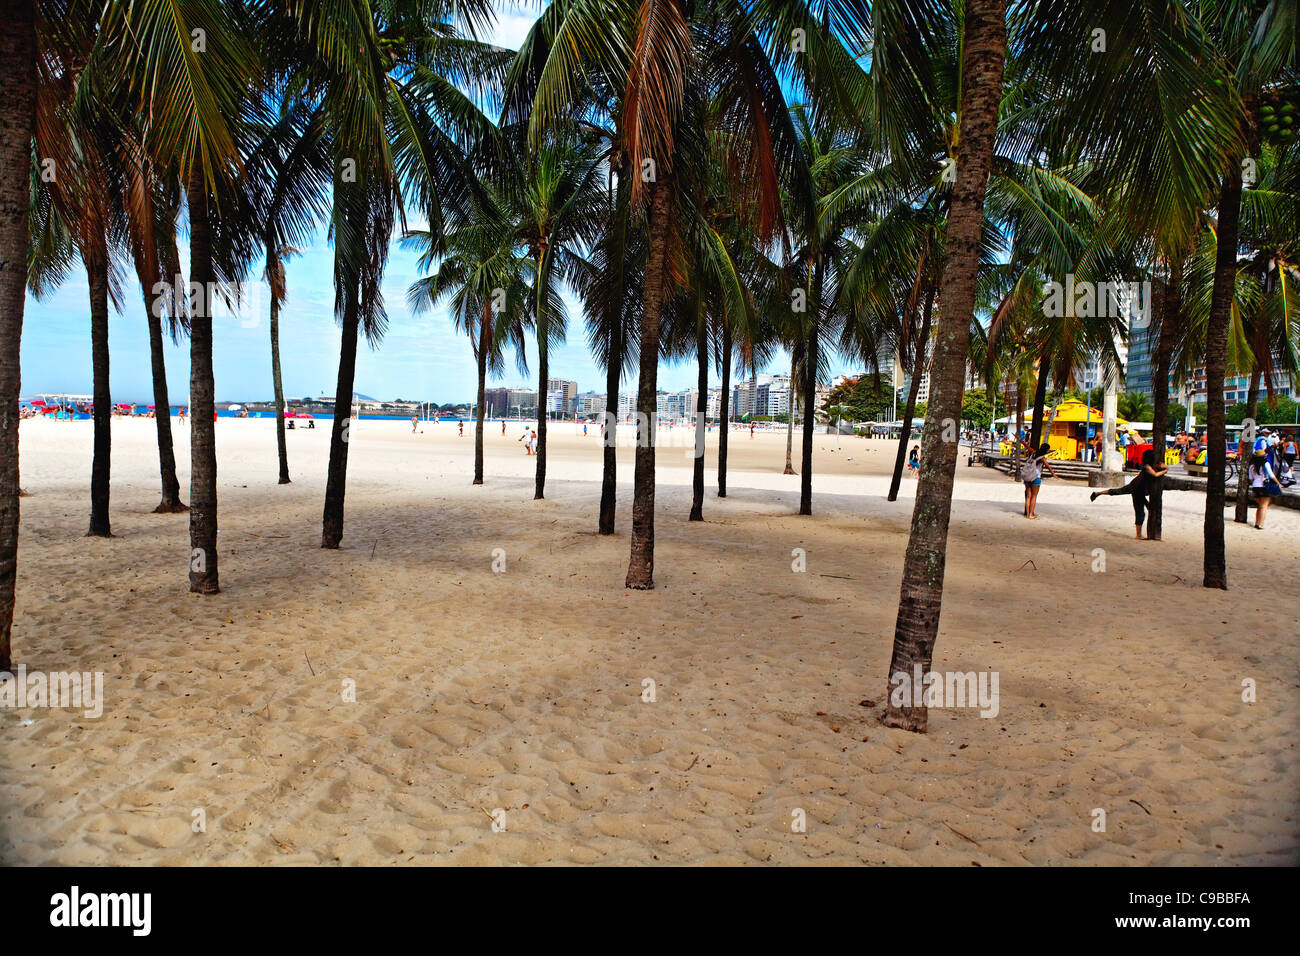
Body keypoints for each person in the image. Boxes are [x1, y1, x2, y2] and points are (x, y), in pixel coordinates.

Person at [1090, 448, 1168, 539]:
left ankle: (1098, 493)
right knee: (1139, 511)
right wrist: (1165, 470)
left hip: (1138, 489)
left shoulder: (1150, 466)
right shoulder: (1147, 467)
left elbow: (1157, 470)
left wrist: (1163, 466)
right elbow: (1155, 475)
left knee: (1119, 492)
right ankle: (1138, 535)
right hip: (1136, 489)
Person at [1020, 441, 1059, 519]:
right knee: (1034, 496)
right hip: (1036, 477)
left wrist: (1021, 440)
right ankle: (1031, 514)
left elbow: (1027, 447)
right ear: (1046, 450)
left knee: (1028, 496)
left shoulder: (1033, 453)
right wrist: (1053, 474)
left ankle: (1027, 514)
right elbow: (1048, 467)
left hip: (1027, 476)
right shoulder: (1042, 458)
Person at [1246, 449, 1281, 529]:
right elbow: (1271, 475)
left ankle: (1257, 522)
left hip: (1255, 486)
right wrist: (1278, 483)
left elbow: (1251, 478)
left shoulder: (1252, 466)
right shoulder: (1266, 464)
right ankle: (1260, 524)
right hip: (1264, 486)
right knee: (1264, 506)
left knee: (1260, 505)